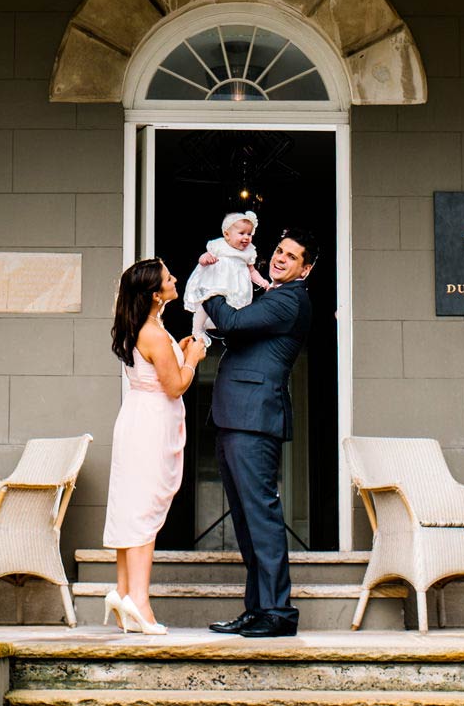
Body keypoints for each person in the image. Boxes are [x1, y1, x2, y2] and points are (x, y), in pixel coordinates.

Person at [201, 229, 316, 638]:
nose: (281, 259)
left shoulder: (288, 299)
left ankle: (278, 612)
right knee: (248, 522)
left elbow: (230, 320)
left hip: (253, 419)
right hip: (237, 417)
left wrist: (206, 289)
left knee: (262, 518)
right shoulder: (273, 295)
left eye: (292, 256)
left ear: (307, 267)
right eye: (279, 251)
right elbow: (235, 331)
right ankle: (257, 608)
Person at [101, 257, 206, 634]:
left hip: (136, 418)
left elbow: (156, 367)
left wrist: (177, 352)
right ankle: (140, 603)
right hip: (149, 425)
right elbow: (175, 385)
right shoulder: (153, 333)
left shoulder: (142, 327)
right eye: (168, 277)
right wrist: (192, 359)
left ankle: (124, 591)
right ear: (155, 294)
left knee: (132, 506)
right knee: (144, 510)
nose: (175, 279)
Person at [183, 209, 271, 346]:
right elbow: (202, 258)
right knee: (206, 304)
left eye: (249, 234)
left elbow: (252, 271)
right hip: (218, 282)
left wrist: (263, 282)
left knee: (236, 312)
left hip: (238, 287)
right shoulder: (218, 245)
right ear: (227, 234)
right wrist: (206, 259)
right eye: (241, 233)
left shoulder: (249, 251)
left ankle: (230, 335)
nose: (246, 237)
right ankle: (198, 328)